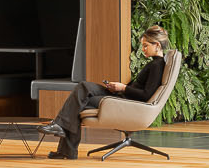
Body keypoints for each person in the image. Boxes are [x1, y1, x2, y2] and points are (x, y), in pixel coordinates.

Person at [40, 25, 169, 159]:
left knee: (79, 102)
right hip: (122, 96)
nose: (143, 50)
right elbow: (141, 89)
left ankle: (65, 144)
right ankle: (62, 135)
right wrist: (119, 87)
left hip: (126, 102)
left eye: (146, 46)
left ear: (157, 45)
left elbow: (146, 95)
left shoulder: (156, 66)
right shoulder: (155, 64)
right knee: (83, 87)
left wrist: (123, 88)